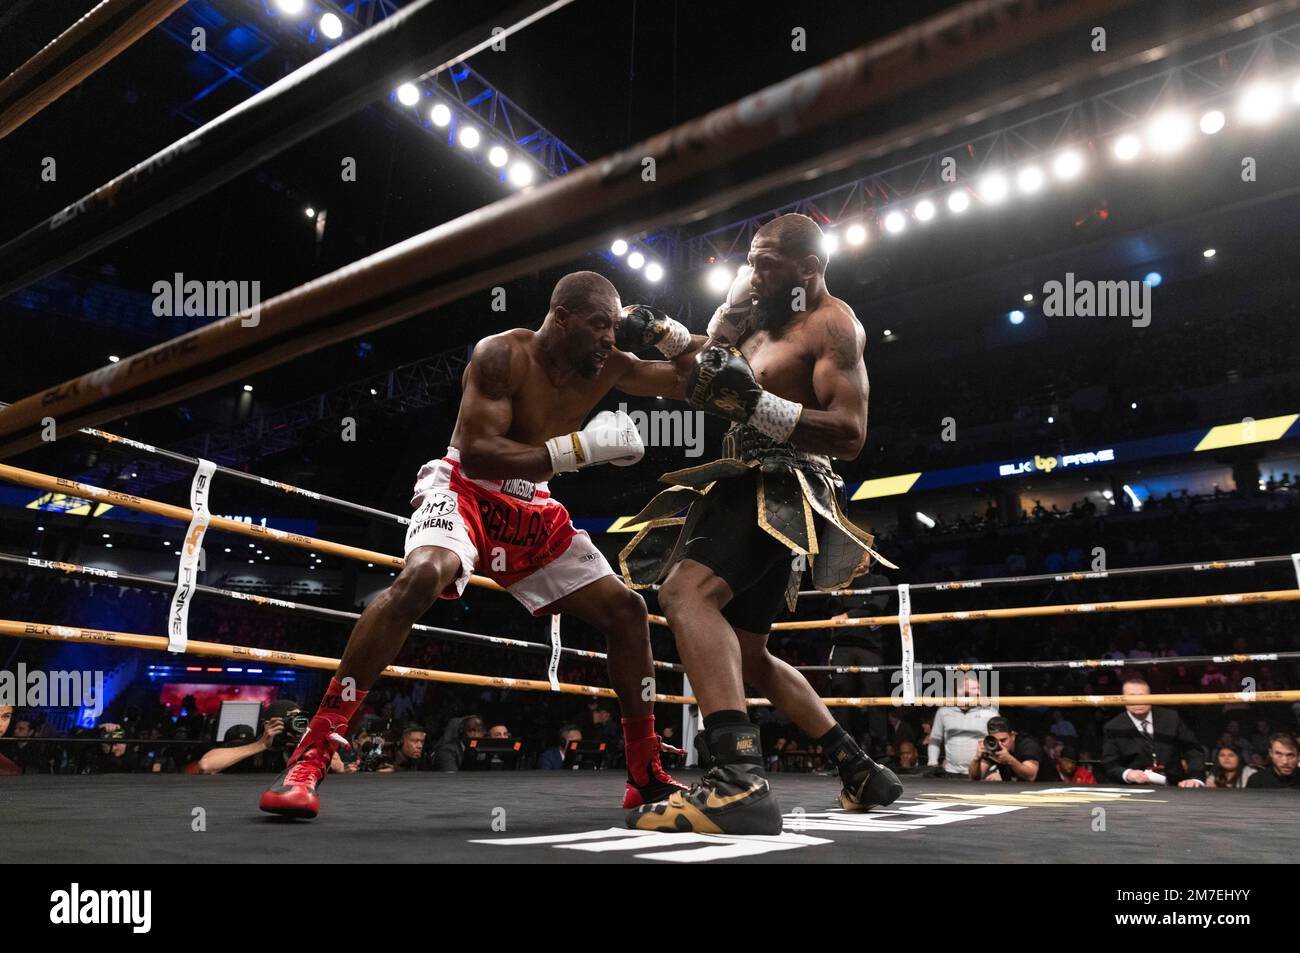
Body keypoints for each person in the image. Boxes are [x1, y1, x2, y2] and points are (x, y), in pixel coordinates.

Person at [261, 272, 707, 818]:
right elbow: (478, 454)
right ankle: (313, 751)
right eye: (599, 326)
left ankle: (644, 769)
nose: (610, 339)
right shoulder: (503, 355)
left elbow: (696, 379)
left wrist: (670, 335)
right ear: (561, 317)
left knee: (627, 610)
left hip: (534, 505)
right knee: (422, 576)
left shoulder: (608, 363)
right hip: (466, 488)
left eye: (615, 327)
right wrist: (579, 450)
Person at [621, 214, 902, 835]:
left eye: (767, 262)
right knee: (748, 653)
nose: (753, 272)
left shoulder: (833, 323)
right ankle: (858, 769)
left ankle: (737, 780)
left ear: (808, 269)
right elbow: (707, 369)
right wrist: (665, 335)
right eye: (751, 259)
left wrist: (754, 403)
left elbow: (851, 434)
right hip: (748, 478)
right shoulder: (751, 312)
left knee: (683, 593)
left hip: (781, 484)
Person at [826, 571, 892, 751]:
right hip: (842, 645)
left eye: (867, 551)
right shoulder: (840, 581)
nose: (862, 556)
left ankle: (879, 750)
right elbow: (833, 610)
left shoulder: (880, 579)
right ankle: (844, 750)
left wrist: (848, 616)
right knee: (841, 693)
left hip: (869, 646)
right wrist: (860, 612)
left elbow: (877, 605)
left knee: (875, 694)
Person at [1099, 678, 1206, 787]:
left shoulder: (1171, 718)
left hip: (1175, 785)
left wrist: (1195, 778)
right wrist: (1128, 774)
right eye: (1131, 696)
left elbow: (1193, 749)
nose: (1137, 701)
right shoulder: (1114, 726)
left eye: (1142, 696)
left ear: (1151, 696)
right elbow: (1110, 763)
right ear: (1123, 699)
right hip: (1136, 788)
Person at [927, 674, 999, 777]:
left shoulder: (990, 713)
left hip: (981, 773)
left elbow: (1001, 742)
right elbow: (935, 738)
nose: (978, 692)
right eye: (974, 688)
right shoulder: (944, 711)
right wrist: (932, 762)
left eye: (979, 688)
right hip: (951, 772)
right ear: (960, 690)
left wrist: (998, 769)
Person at [968, 716, 1052, 782]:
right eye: (996, 740)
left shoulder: (1028, 745)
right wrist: (976, 759)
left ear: (1013, 736)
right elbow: (975, 778)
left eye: (1003, 740)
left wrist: (1010, 760)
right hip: (1015, 790)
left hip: (1047, 786)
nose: (1000, 744)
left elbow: (1031, 776)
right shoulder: (992, 746)